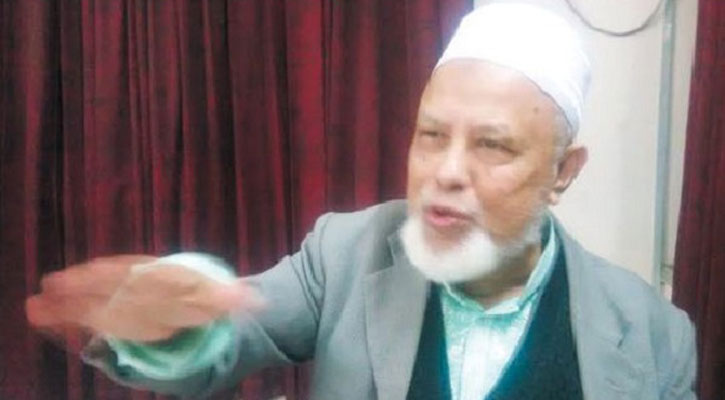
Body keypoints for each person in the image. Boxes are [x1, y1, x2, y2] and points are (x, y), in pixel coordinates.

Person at [26, 3, 696, 399]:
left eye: (491, 145)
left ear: (562, 172)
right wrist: (161, 322)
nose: (445, 171)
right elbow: (227, 335)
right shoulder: (346, 254)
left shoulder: (652, 336)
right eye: (430, 135)